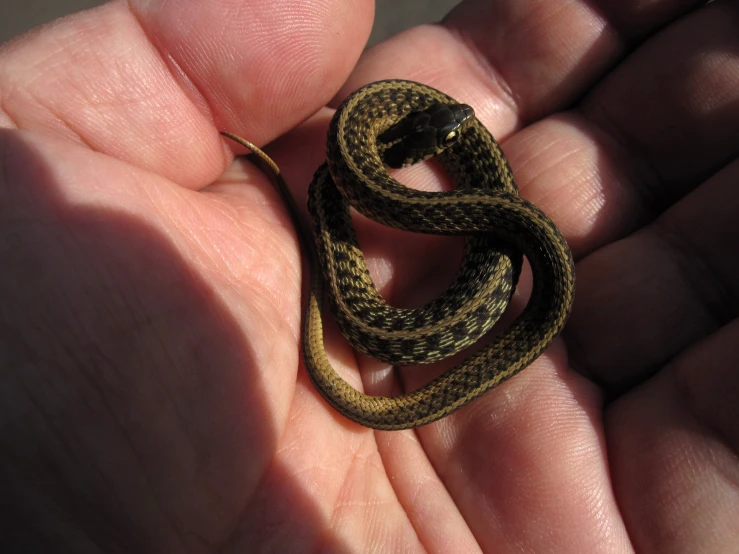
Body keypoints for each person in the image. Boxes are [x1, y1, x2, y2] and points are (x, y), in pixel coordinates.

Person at [1, 0, 736, 551]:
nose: (455, 127)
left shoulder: (383, 173)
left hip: (427, 248)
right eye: (445, 133)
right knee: (357, 211)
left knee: (484, 234)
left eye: (449, 131)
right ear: (411, 156)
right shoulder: (351, 169)